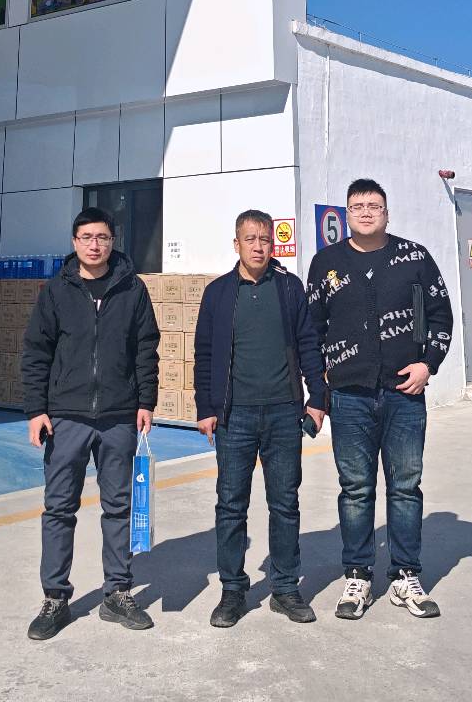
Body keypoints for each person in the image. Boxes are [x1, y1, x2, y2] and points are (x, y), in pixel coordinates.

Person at [306, 178, 453, 622]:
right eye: (357, 207)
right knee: (356, 489)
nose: (366, 212)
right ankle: (358, 576)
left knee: (405, 486)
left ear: (387, 213)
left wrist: (428, 365)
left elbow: (442, 315)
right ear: (346, 215)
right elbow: (311, 330)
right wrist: (319, 390)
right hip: (349, 397)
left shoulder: (414, 258)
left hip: (404, 395)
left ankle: (406, 576)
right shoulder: (326, 263)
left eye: (374, 206)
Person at [22, 207, 159, 639]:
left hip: (119, 416)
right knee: (59, 507)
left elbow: (145, 348)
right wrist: (36, 409)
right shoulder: (56, 291)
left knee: (118, 507)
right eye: (86, 237)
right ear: (74, 242)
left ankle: (117, 592)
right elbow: (37, 351)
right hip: (66, 417)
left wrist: (146, 401)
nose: (94, 245)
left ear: (112, 241)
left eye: (102, 237)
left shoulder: (132, 289)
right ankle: (55, 598)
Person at [194, 209, 327, 629]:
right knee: (231, 505)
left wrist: (317, 399)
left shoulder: (289, 288)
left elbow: (309, 344)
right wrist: (205, 408)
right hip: (234, 416)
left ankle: (285, 588)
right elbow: (204, 354)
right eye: (250, 239)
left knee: (285, 502)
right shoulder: (218, 293)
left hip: (284, 413)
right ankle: (233, 590)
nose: (258, 246)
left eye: (265, 239)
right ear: (236, 244)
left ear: (273, 244)